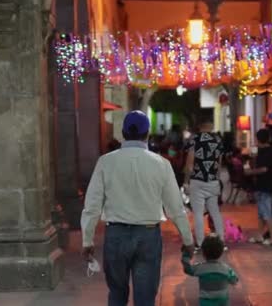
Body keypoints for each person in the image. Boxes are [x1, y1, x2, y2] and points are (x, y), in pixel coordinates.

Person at [81, 110, 195, 306]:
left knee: (117, 294)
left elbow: (92, 206)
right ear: (147, 133)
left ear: (123, 133)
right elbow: (175, 208)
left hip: (116, 236)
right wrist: (187, 239)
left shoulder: (106, 162)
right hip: (148, 237)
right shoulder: (162, 164)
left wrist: (87, 240)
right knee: (145, 299)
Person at [183, 116, 225, 250]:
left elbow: (190, 163)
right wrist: (217, 178)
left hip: (197, 180)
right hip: (213, 180)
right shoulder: (218, 140)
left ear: (200, 126)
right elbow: (219, 163)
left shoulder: (194, 139)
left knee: (198, 213)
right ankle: (221, 241)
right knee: (215, 212)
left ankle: (200, 243)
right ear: (211, 126)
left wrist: (186, 181)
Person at [246, 129, 272, 246]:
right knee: (261, 212)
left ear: (258, 139)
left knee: (266, 212)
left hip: (266, 186)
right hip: (269, 185)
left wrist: (251, 172)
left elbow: (264, 169)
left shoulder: (267, 153)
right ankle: (259, 235)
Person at [181, 235, 239, 306]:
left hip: (206, 302)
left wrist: (186, 255)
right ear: (221, 253)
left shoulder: (200, 268)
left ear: (203, 253)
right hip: (222, 302)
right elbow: (234, 280)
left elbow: (187, 269)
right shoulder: (225, 268)